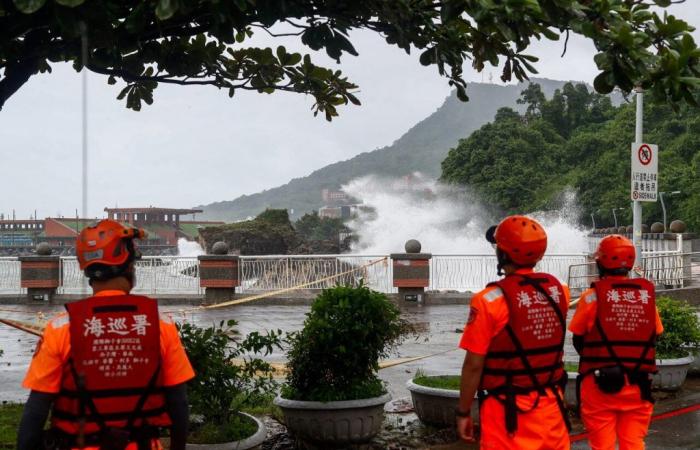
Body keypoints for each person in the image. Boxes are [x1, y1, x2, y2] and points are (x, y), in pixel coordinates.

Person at [18, 219, 194, 450]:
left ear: (88, 272)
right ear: (129, 266)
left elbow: (35, 411)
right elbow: (179, 404)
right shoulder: (160, 325)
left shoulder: (61, 329)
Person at [456, 215, 571, 449]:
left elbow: (473, 365)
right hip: (552, 411)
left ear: (503, 255)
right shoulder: (560, 292)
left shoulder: (487, 301)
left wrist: (463, 412)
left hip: (507, 416)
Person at [569, 234, 663, 450]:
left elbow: (578, 338)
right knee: (634, 443)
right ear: (630, 263)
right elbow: (654, 334)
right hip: (638, 384)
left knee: (602, 445)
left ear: (600, 262)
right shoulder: (645, 297)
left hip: (600, 386)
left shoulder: (591, 297)